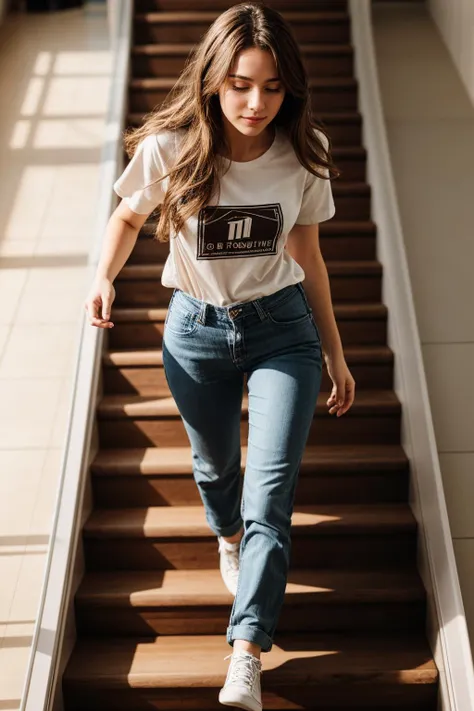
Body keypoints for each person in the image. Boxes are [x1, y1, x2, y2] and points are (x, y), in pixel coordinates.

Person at [84, 2, 356, 710]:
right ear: (213, 79)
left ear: (289, 88)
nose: (256, 102)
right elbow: (126, 215)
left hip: (283, 333)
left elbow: (310, 256)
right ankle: (226, 532)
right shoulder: (173, 147)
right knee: (214, 468)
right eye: (240, 84)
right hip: (196, 333)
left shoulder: (305, 152)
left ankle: (246, 652)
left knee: (272, 495)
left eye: (271, 87)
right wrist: (102, 276)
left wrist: (336, 351)